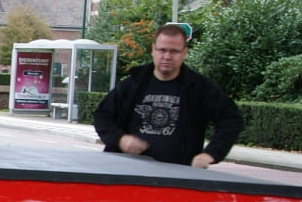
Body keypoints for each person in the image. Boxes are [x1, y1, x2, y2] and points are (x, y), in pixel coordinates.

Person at [93, 23, 243, 168]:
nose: (167, 56)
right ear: (153, 50)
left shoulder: (199, 87)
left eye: (174, 51)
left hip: (176, 177)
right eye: (162, 50)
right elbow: (102, 115)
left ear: (184, 52)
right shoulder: (133, 83)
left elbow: (231, 120)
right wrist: (120, 139)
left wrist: (211, 154)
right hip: (129, 172)